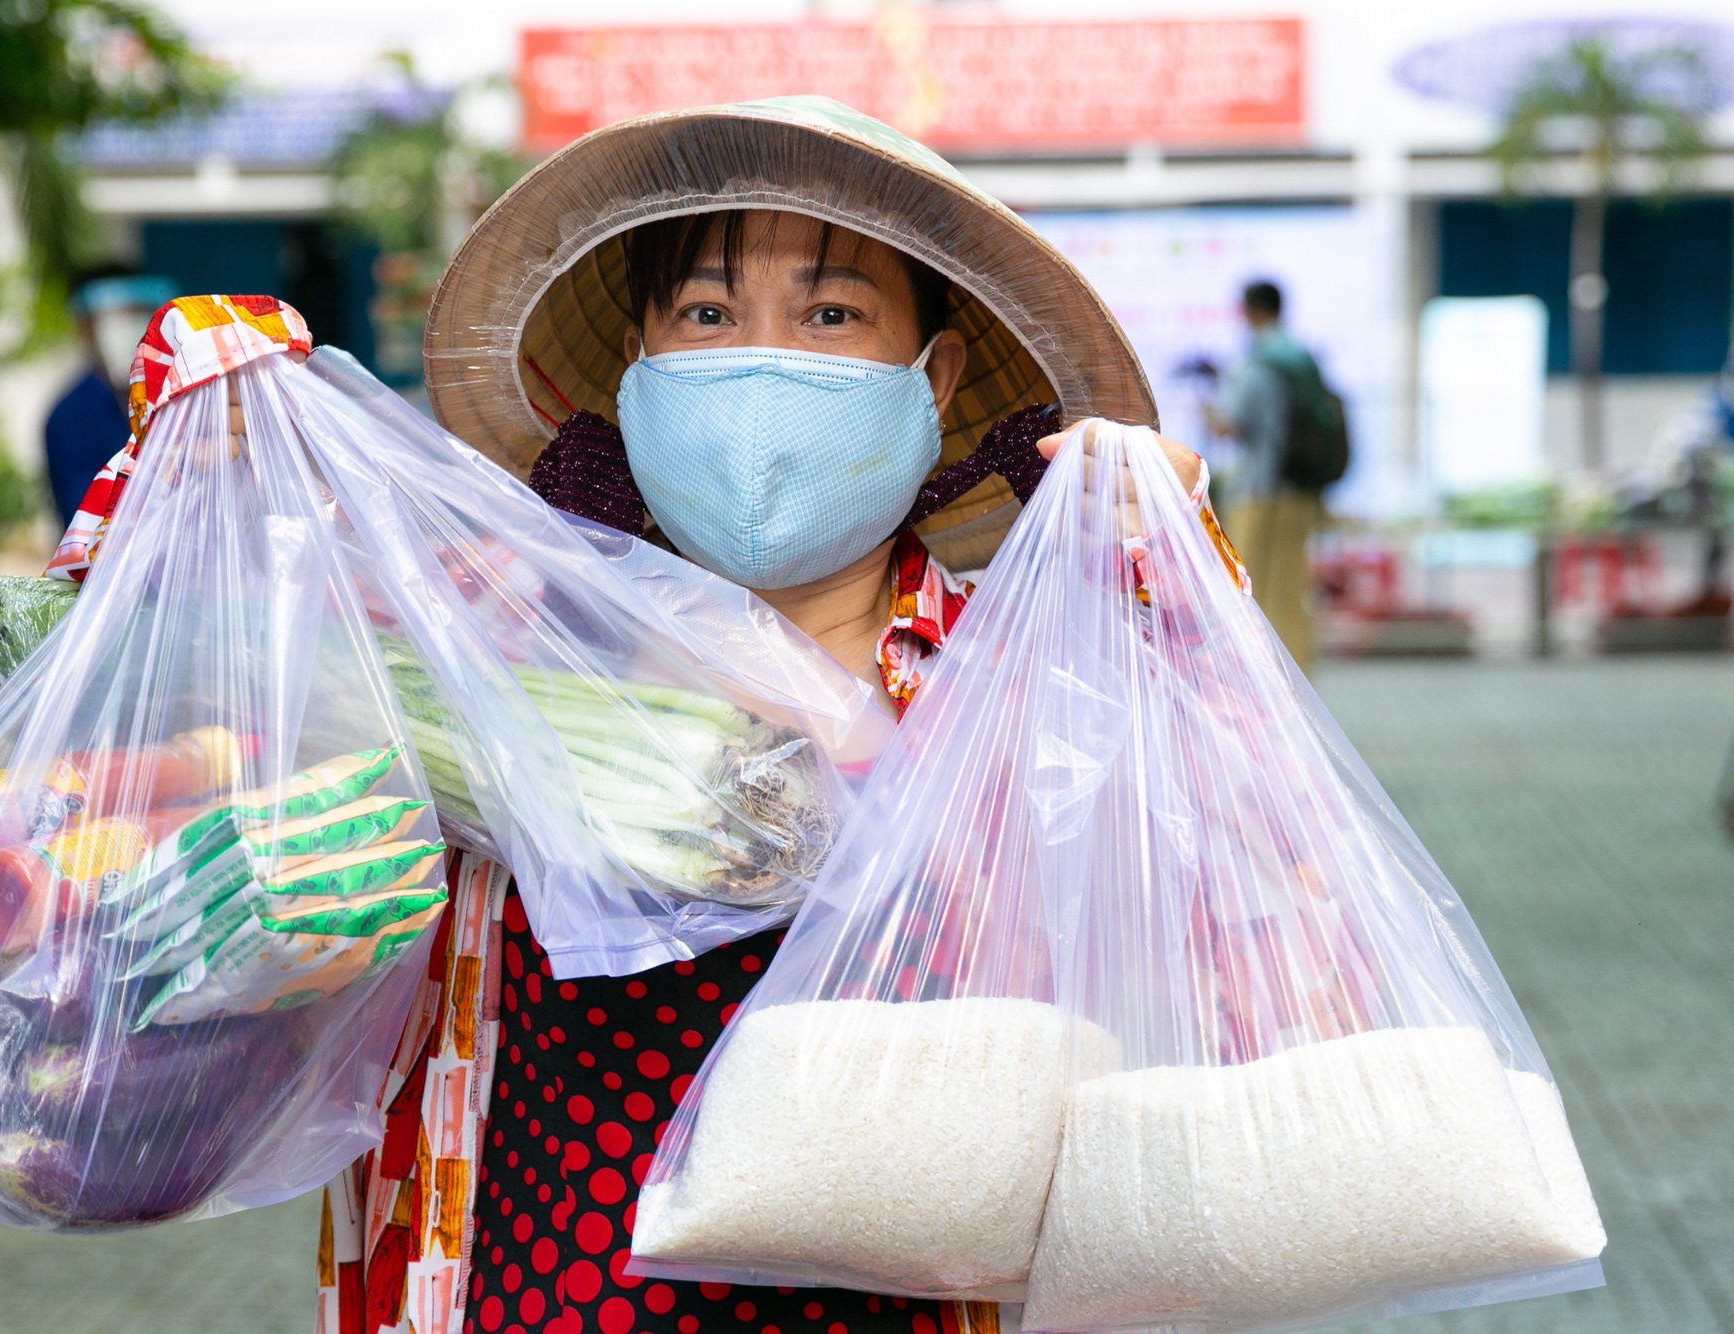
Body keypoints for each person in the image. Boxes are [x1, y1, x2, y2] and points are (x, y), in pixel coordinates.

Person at [309, 98, 1247, 1334]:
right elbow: (290, 894)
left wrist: (1167, 572)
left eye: (831, 314)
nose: (760, 359)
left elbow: (1221, 865)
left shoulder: (1019, 670)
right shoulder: (500, 648)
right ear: (636, 369)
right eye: (706, 313)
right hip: (543, 1291)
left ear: (937, 374)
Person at [1207, 280, 1326, 671]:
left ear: (1249, 311)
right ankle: (1299, 678)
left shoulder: (1258, 363)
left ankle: (1261, 679)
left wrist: (1207, 397)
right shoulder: (1302, 360)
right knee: (1292, 591)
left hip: (1259, 493)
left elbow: (1229, 425)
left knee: (1249, 589)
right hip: (1302, 490)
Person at [44, 271, 178, 528]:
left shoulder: (176, 396)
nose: (132, 327)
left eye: (138, 312)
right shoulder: (70, 416)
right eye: (118, 317)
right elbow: (85, 517)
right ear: (85, 328)